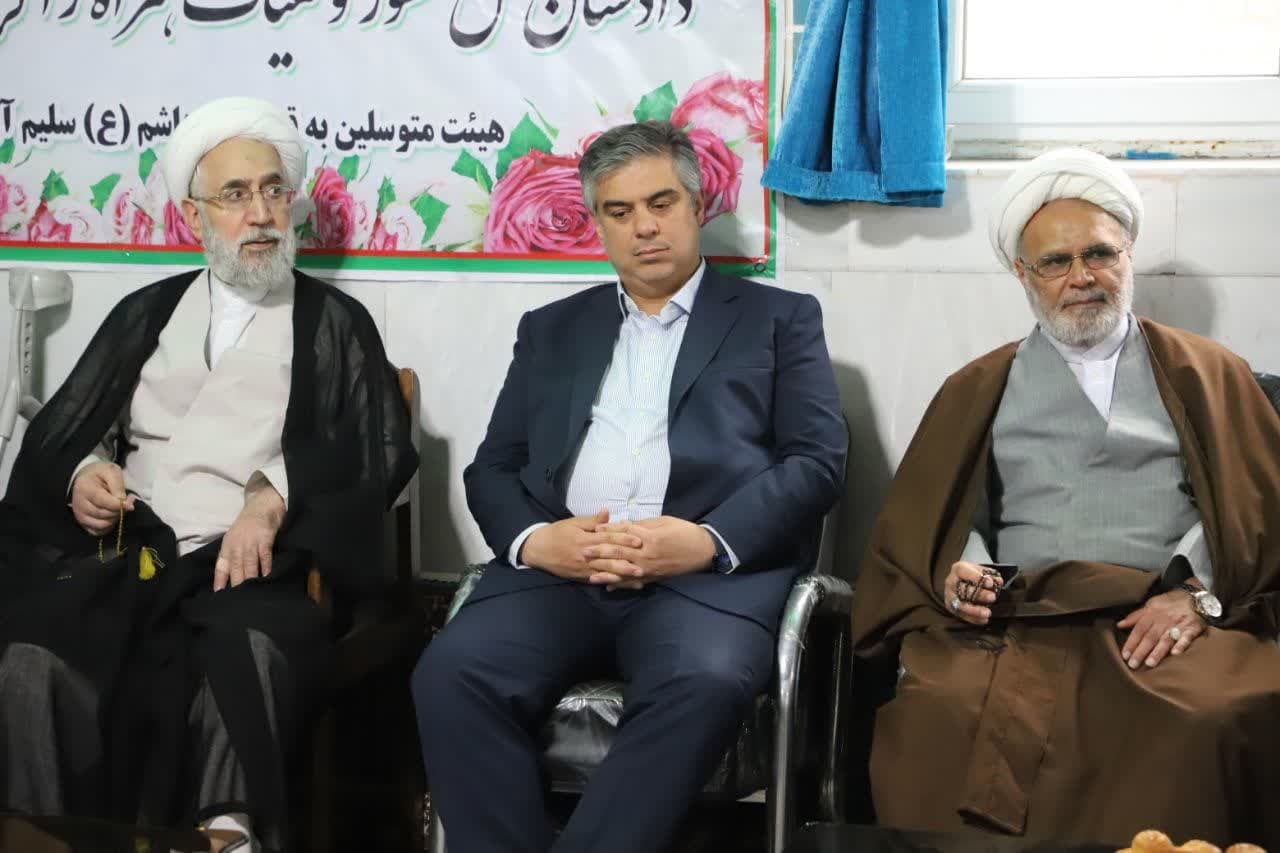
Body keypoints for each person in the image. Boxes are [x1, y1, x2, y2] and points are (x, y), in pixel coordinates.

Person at [412, 120, 847, 853]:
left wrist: (705, 541)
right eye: (619, 211)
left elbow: (816, 461)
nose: (644, 226)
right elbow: (494, 466)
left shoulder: (778, 320)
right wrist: (537, 541)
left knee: (703, 679)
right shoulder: (552, 329)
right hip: (559, 575)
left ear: (697, 205)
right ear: (597, 224)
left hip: (701, 581)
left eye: (661, 202)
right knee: (449, 674)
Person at [0, 96, 417, 851]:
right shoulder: (146, 311)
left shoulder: (332, 321)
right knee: (31, 658)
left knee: (244, 649)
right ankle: (48, 835)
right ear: (194, 216)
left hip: (250, 569)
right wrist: (85, 473)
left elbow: (375, 450)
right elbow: (66, 433)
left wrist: (271, 498)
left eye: (273, 190)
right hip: (128, 560)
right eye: (235, 194)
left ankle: (231, 835)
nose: (260, 214)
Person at [852, 148, 1280, 847]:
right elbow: (939, 520)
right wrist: (964, 569)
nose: (1082, 277)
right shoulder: (977, 387)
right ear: (1023, 274)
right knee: (941, 710)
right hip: (1020, 615)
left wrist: (1194, 594)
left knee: (1215, 711)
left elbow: (1250, 510)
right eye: (1056, 262)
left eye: (1100, 254)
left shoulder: (1208, 373)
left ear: (1128, 255)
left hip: (1159, 612)